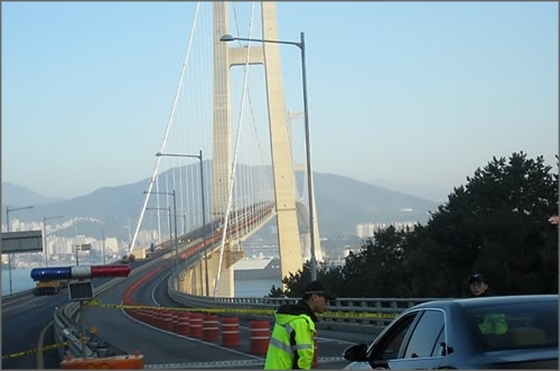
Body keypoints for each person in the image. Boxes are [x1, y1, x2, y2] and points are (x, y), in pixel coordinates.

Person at [264, 280, 337, 370]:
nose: (328, 304)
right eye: (326, 300)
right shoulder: (301, 322)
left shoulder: (288, 317)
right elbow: (303, 361)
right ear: (315, 297)